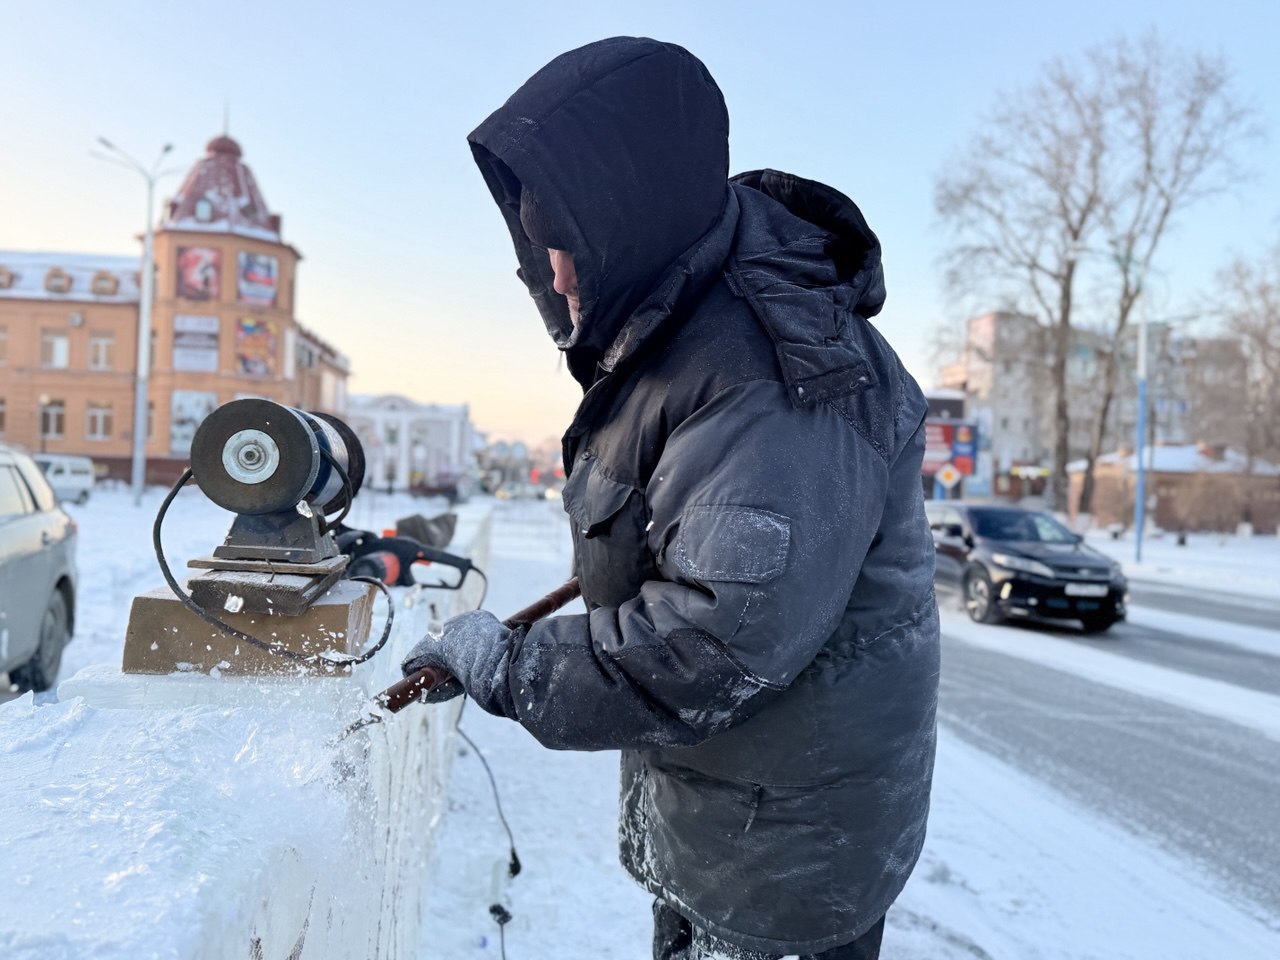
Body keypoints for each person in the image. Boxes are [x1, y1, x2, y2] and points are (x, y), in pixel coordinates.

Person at [402, 36, 940, 960]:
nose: (555, 272)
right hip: (726, 816)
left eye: (567, 240)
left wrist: (510, 668)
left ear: (631, 215)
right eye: (538, 245)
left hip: (785, 864)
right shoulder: (683, 337)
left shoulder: (775, 370)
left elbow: (711, 642)